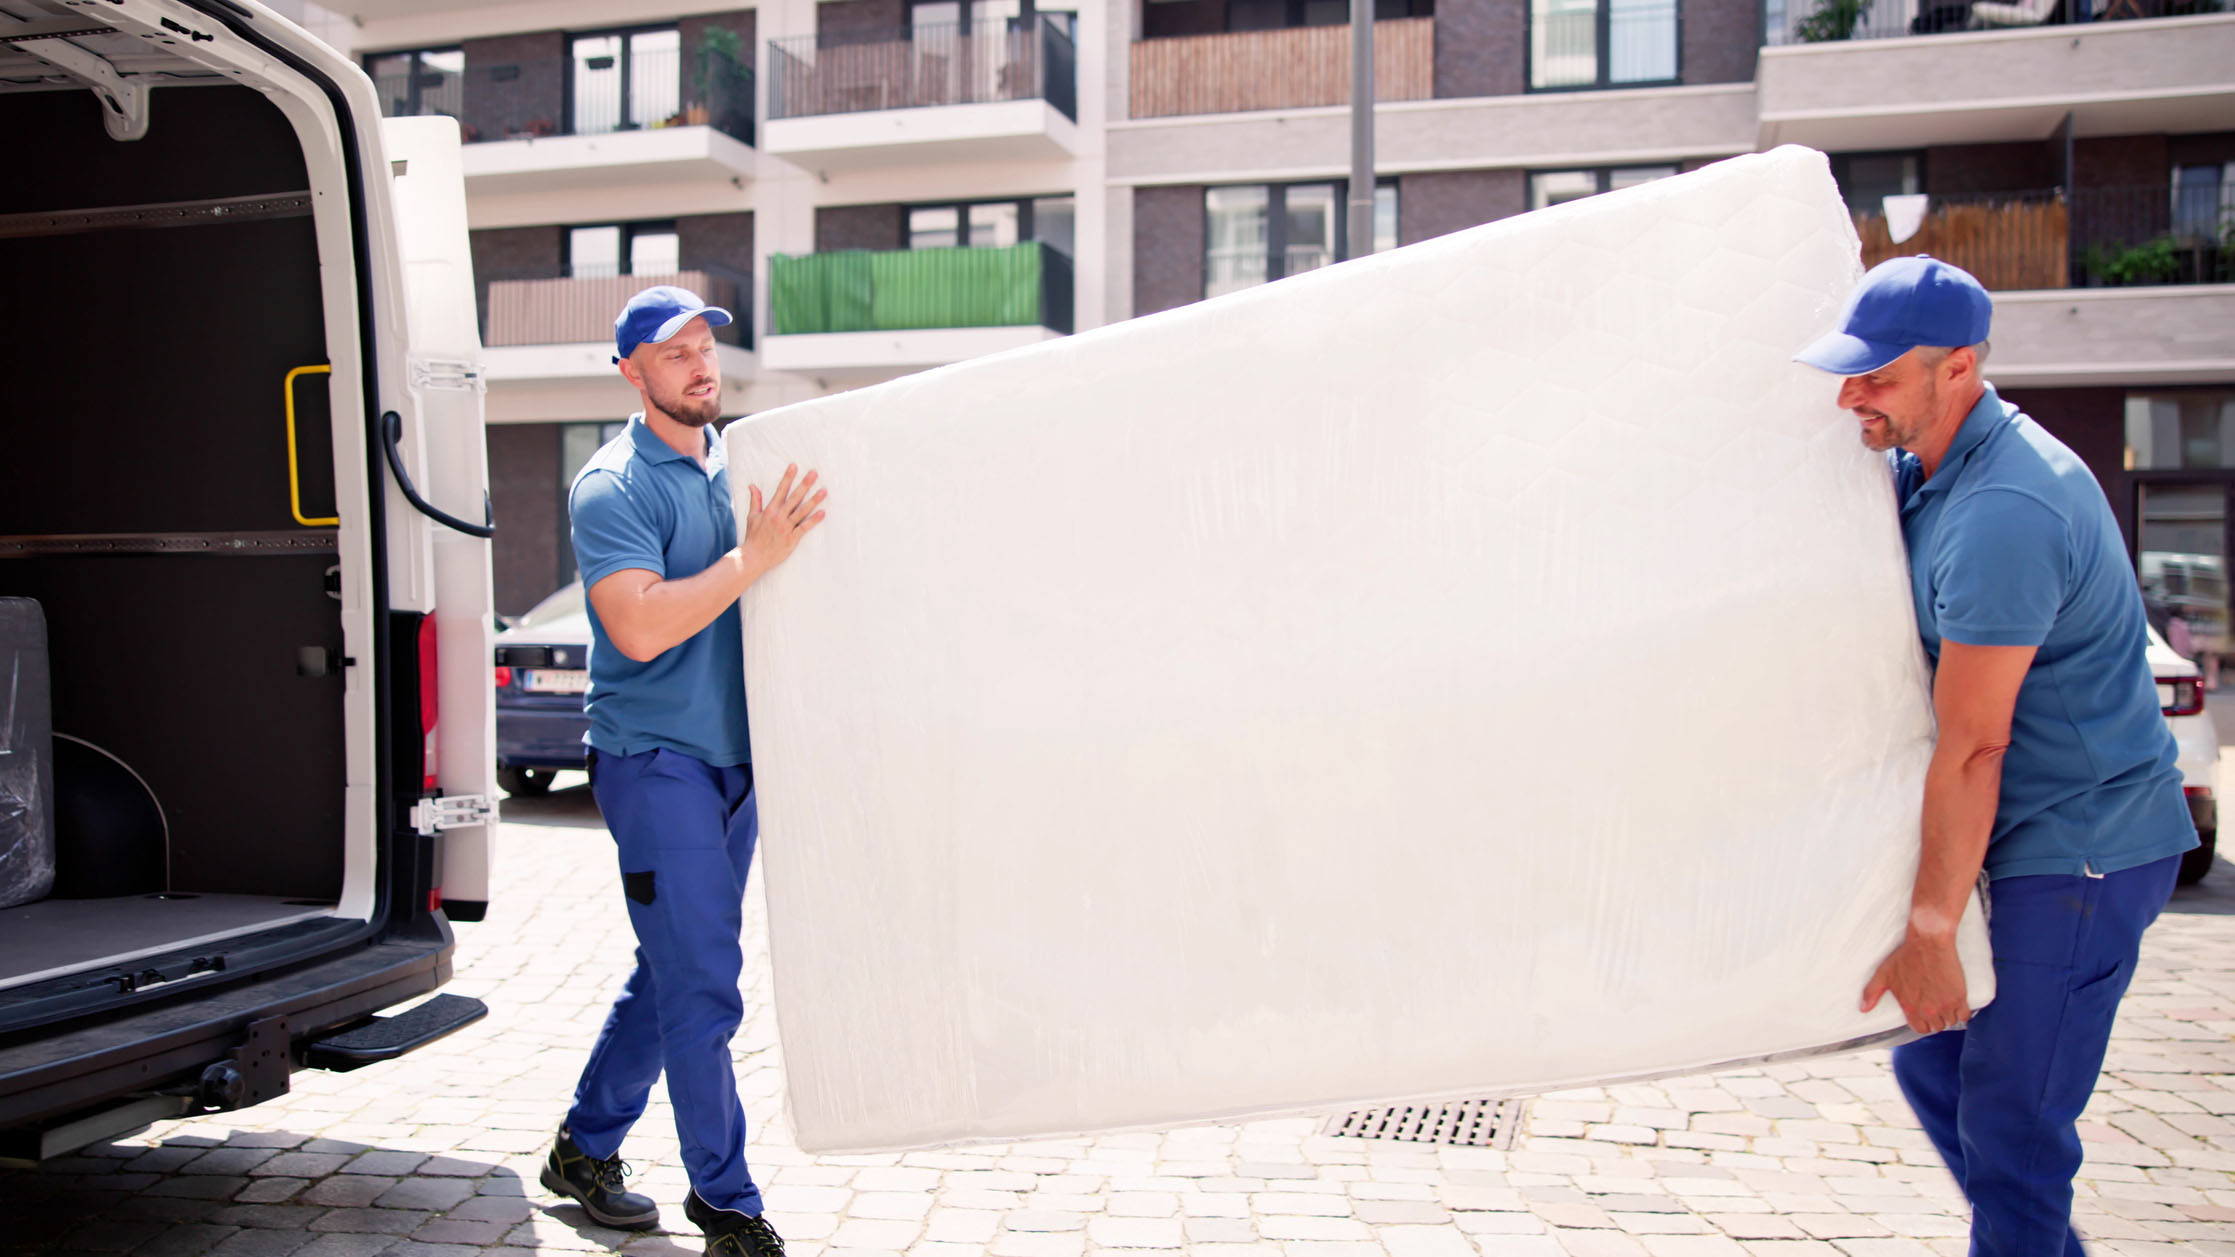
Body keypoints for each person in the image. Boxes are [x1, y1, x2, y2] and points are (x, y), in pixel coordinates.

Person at [1796, 256, 2196, 1257]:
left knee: (2014, 1130)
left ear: (1959, 369)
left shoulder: (2007, 512)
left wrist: (1932, 925)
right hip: (2027, 833)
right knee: (1934, 1065)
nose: (1853, 396)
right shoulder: (1929, 469)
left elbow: (1975, 744)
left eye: (1878, 378)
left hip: (2082, 849)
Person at [540, 285, 826, 1257]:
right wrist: (755, 556)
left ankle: (584, 1148)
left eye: (707, 346)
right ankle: (727, 1204)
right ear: (631, 371)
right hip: (654, 763)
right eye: (676, 353)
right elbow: (641, 622)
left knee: (671, 971)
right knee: (704, 985)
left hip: (736, 767)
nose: (702, 365)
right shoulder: (613, 485)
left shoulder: (737, 465)